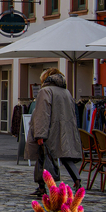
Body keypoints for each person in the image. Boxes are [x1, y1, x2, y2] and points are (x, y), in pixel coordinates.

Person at [24, 68, 83, 196]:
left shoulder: (45, 91)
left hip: (49, 130)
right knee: (67, 157)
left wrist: (40, 134)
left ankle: (41, 188)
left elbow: (42, 114)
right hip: (64, 130)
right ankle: (77, 181)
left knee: (43, 157)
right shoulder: (66, 92)